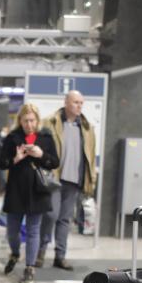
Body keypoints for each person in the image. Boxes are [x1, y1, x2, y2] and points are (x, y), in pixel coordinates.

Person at [0, 104, 59, 283]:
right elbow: (1, 163)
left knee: (34, 230)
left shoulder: (46, 137)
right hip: (16, 190)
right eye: (25, 121)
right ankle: (15, 253)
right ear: (20, 121)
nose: (29, 124)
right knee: (12, 231)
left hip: (37, 190)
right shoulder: (12, 137)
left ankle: (30, 268)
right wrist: (15, 159)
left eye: (32, 120)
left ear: (37, 120)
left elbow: (54, 162)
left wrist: (41, 154)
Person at [38, 90, 97, 270]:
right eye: (76, 102)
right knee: (51, 215)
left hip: (74, 180)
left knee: (65, 219)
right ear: (66, 102)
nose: (79, 106)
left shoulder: (86, 128)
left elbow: (90, 156)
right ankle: (40, 251)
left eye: (81, 103)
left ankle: (60, 256)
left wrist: (91, 179)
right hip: (54, 178)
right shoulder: (50, 122)